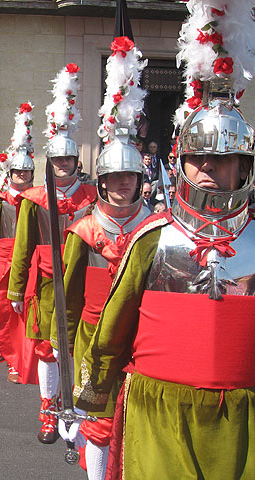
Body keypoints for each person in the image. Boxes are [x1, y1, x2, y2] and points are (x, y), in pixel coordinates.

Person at [74, 6, 255, 477]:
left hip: (245, 420)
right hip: (160, 416)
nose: (211, 169)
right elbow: (111, 332)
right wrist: (95, 403)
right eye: (199, 158)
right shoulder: (151, 239)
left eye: (225, 158)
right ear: (181, 163)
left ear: (245, 167)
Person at [52, 43, 151, 478]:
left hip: (143, 343)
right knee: (95, 422)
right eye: (115, 178)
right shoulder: (83, 231)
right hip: (93, 338)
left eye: (130, 177)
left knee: (135, 425)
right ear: (104, 182)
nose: (123, 185)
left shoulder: (159, 229)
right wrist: (62, 341)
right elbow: (68, 294)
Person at [7, 74, 98, 444]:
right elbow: (22, 248)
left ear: (77, 160)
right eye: (56, 158)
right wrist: (15, 288)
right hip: (46, 286)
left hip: (87, 284)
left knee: (81, 346)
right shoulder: (34, 198)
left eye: (68, 158)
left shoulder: (94, 195)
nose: (62, 164)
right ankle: (48, 407)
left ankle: (76, 407)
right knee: (47, 350)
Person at [0, 101, 37, 385]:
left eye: (26, 173)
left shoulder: (39, 200)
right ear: (10, 173)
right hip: (2, 261)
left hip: (30, 262)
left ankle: (17, 359)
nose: (22, 176)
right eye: (18, 172)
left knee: (23, 312)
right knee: (2, 309)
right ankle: (5, 347)